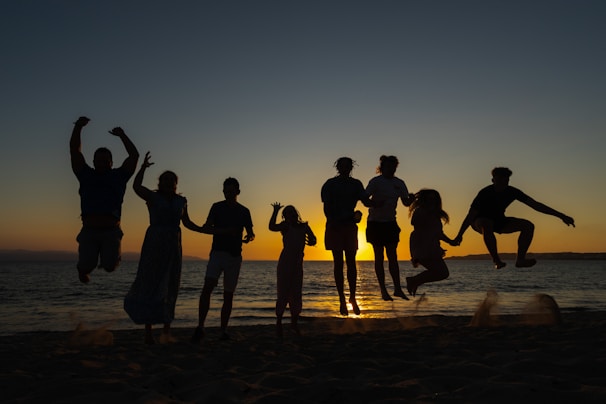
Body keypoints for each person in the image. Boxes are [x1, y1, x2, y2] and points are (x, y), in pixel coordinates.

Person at [124, 152, 204, 344]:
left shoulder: (181, 201)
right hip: (154, 243)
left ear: (176, 184)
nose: (168, 182)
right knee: (150, 283)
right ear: (159, 182)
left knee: (170, 285)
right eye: (164, 179)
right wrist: (142, 168)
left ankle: (166, 331)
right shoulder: (152, 197)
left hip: (173, 246)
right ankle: (149, 333)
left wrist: (206, 230)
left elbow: (187, 223)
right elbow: (135, 187)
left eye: (171, 180)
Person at [453, 167, 575, 269]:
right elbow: (470, 215)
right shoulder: (485, 192)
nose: (502, 183)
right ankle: (496, 261)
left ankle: (520, 260)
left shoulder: (513, 192)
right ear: (493, 180)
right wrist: (459, 235)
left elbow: (536, 205)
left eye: (505, 180)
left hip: (499, 221)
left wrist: (561, 216)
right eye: (499, 179)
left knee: (528, 225)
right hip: (478, 221)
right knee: (486, 223)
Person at [70, 116, 140, 283]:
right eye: (98, 161)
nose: (101, 164)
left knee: (109, 266)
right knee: (86, 265)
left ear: (111, 162)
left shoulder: (119, 176)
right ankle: (84, 269)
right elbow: (74, 151)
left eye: (105, 161)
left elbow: (134, 156)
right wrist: (78, 127)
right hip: (89, 230)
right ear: (93, 162)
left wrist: (122, 135)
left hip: (111, 231)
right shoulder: (85, 174)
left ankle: (112, 258)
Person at [191, 177, 255, 342]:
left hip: (234, 256)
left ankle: (223, 330)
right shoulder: (216, 207)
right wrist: (225, 231)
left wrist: (249, 237)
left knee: (228, 295)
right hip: (217, 253)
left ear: (238, 192)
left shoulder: (244, 211)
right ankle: (200, 327)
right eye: (226, 191)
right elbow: (207, 227)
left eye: (231, 192)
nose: (228, 194)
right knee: (207, 288)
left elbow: (251, 232)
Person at [321, 157, 372, 316]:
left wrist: (381, 199)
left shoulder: (356, 184)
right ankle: (342, 299)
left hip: (350, 225)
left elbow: (366, 201)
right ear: (338, 167)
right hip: (334, 226)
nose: (345, 168)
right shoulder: (330, 184)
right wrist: (333, 221)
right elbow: (326, 206)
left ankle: (352, 298)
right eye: (342, 166)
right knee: (338, 263)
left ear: (351, 167)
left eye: (348, 166)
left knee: (351, 263)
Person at [365, 155, 414, 301]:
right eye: (388, 166)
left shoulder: (399, 183)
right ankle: (383, 290)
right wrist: (374, 204)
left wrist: (411, 199)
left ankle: (397, 289)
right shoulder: (375, 182)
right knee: (378, 257)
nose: (391, 169)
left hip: (391, 222)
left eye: (394, 166)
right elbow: (364, 199)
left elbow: (406, 202)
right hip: (375, 223)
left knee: (393, 256)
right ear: (382, 167)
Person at [269, 202, 317, 339]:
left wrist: (312, 241)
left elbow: (313, 238)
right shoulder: (285, 226)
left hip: (297, 264)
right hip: (285, 263)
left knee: (296, 293)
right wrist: (275, 211)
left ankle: (294, 323)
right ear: (285, 217)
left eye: (292, 213)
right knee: (283, 292)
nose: (291, 215)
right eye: (287, 214)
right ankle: (279, 322)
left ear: (296, 214)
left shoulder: (304, 226)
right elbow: (271, 227)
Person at [405, 189, 457, 297]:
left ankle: (414, 281)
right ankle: (413, 281)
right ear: (424, 200)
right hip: (422, 245)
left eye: (434, 199)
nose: (432, 201)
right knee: (441, 272)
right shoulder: (420, 210)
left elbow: (438, 233)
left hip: (432, 245)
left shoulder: (435, 214)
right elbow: (415, 224)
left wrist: (450, 241)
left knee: (442, 273)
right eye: (429, 199)